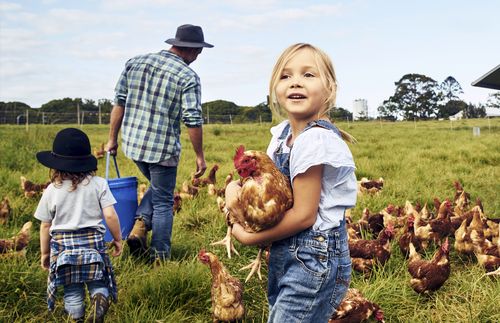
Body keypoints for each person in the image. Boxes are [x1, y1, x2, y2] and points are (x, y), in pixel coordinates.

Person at [227, 43, 357, 322]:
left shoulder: (315, 140)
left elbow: (303, 216)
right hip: (288, 253)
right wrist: (231, 190)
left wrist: (248, 237)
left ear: (330, 88)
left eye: (309, 75)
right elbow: (266, 183)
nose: (296, 81)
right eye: (286, 76)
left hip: (314, 258)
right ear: (275, 87)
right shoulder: (283, 134)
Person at [106, 24, 213, 263]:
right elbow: (192, 118)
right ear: (192, 50)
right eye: (198, 52)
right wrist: (200, 156)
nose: (197, 57)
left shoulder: (135, 62)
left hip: (133, 144)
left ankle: (139, 227)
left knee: (157, 188)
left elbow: (119, 102)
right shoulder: (187, 76)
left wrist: (112, 138)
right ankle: (160, 256)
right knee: (164, 201)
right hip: (162, 150)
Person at [34, 128, 122, 323]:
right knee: (98, 281)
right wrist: (117, 239)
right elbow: (110, 214)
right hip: (93, 245)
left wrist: (45, 254)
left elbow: (45, 226)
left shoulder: (51, 190)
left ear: (55, 164)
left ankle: (77, 318)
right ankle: (99, 299)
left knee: (72, 288)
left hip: (64, 247)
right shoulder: (99, 184)